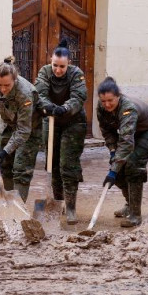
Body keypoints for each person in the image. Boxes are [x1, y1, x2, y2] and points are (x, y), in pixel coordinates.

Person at [36, 39, 88, 224]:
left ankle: (71, 207)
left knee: (68, 164)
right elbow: (39, 94)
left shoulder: (76, 74)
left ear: (69, 64)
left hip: (73, 122)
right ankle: (57, 203)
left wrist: (64, 109)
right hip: (51, 121)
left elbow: (79, 96)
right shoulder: (44, 72)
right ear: (51, 62)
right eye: (55, 65)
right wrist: (48, 107)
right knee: (52, 163)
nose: (58, 70)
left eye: (62, 66)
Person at [0, 57, 42, 211]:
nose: (3, 89)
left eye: (7, 85)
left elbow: (23, 131)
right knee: (5, 165)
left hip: (29, 128)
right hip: (8, 123)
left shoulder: (24, 94)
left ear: (15, 79)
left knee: (21, 169)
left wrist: (7, 150)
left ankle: (17, 208)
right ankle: (6, 204)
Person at [96, 77, 148, 227]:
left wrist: (114, 169)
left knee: (133, 166)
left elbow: (126, 143)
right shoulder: (101, 107)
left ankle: (135, 215)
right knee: (117, 168)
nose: (107, 104)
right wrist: (112, 152)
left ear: (118, 96)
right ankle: (129, 204)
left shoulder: (128, 108)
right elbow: (108, 131)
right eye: (103, 101)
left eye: (110, 100)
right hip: (131, 133)